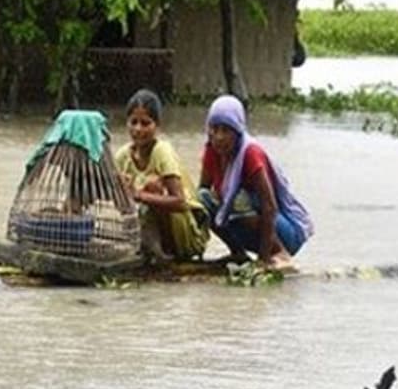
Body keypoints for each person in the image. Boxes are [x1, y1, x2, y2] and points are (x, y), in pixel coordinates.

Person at [198, 95, 313, 269]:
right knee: (202, 198)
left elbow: (270, 206)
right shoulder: (211, 150)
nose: (219, 137)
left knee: (239, 199)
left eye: (226, 130)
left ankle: (279, 253)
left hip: (281, 232)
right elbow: (202, 191)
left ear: (237, 132)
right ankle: (238, 253)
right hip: (245, 227)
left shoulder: (250, 154)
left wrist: (263, 259)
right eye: (215, 129)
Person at [114, 89, 209, 262]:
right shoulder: (123, 156)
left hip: (186, 231)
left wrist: (139, 195)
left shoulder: (162, 151)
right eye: (133, 122)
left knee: (152, 186)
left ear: (156, 125)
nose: (138, 129)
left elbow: (180, 201)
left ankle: (165, 253)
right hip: (149, 229)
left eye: (145, 123)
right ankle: (147, 248)